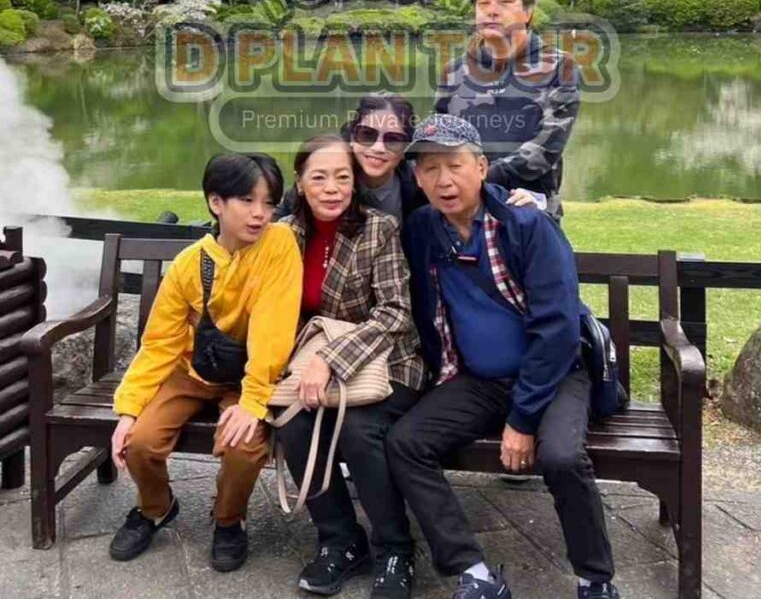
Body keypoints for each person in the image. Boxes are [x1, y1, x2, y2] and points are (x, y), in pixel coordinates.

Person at [387, 113, 619, 599]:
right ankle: (473, 572)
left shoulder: (526, 224)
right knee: (406, 443)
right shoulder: (422, 229)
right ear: (416, 177)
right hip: (477, 380)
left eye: (455, 165)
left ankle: (594, 578)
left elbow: (557, 330)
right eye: (429, 168)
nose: (444, 180)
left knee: (561, 456)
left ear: (481, 167)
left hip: (555, 375)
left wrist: (523, 417)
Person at [109, 153, 303, 572]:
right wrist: (128, 409)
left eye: (269, 202)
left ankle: (229, 519)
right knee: (139, 442)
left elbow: (273, 329)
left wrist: (253, 401)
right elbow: (159, 343)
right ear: (216, 202)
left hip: (249, 375)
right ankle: (155, 508)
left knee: (243, 447)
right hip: (192, 371)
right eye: (247, 200)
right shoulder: (188, 264)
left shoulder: (279, 245)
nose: (260, 213)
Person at [276, 133, 425, 599]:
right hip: (311, 367)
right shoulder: (283, 235)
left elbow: (396, 314)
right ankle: (340, 541)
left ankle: (396, 548)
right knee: (294, 424)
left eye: (342, 177)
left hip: (388, 363)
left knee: (359, 431)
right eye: (319, 177)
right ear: (300, 182)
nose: (332, 188)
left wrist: (332, 359)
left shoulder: (379, 229)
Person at [435, 0, 580, 219]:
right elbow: (438, 136)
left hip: (530, 208)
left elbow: (548, 145)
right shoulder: (455, 70)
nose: (492, 11)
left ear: (528, 12)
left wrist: (480, 177)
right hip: (463, 211)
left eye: (505, 2)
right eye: (483, 3)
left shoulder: (559, 66)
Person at [274, 93, 544, 225]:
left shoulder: (423, 178)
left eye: (393, 139)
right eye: (368, 134)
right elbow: (278, 218)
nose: (378, 148)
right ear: (353, 136)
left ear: (406, 147)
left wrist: (531, 200)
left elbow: (475, 187)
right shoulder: (329, 174)